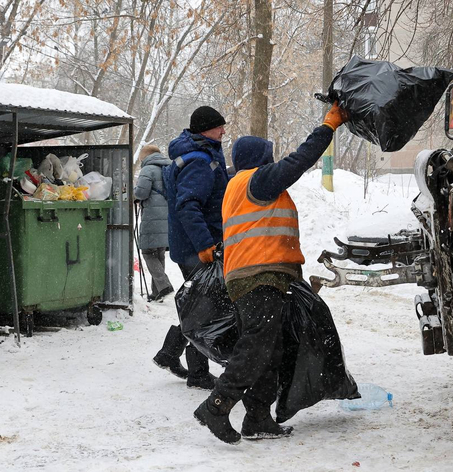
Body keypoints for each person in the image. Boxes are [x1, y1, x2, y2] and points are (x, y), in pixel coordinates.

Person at [193, 102, 349, 444]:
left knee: (270, 348)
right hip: (258, 277)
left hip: (255, 277)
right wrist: (329, 126)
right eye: (269, 156)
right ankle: (217, 406)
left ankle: (258, 417)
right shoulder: (257, 181)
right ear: (260, 160)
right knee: (256, 347)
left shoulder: (238, 185)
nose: (273, 162)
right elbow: (300, 160)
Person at [152, 105, 230, 390]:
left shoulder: (202, 155)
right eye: (219, 126)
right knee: (204, 308)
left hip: (193, 245)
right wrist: (205, 245)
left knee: (199, 303)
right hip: (197, 248)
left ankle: (170, 353)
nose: (224, 131)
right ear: (205, 130)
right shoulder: (198, 161)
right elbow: (188, 206)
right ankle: (196, 372)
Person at [134, 145, 174, 302]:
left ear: (145, 157)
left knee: (148, 252)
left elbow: (141, 193)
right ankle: (157, 292)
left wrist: (133, 194)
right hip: (169, 215)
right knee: (158, 252)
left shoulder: (148, 170)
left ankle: (164, 286)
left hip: (152, 216)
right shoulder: (170, 167)